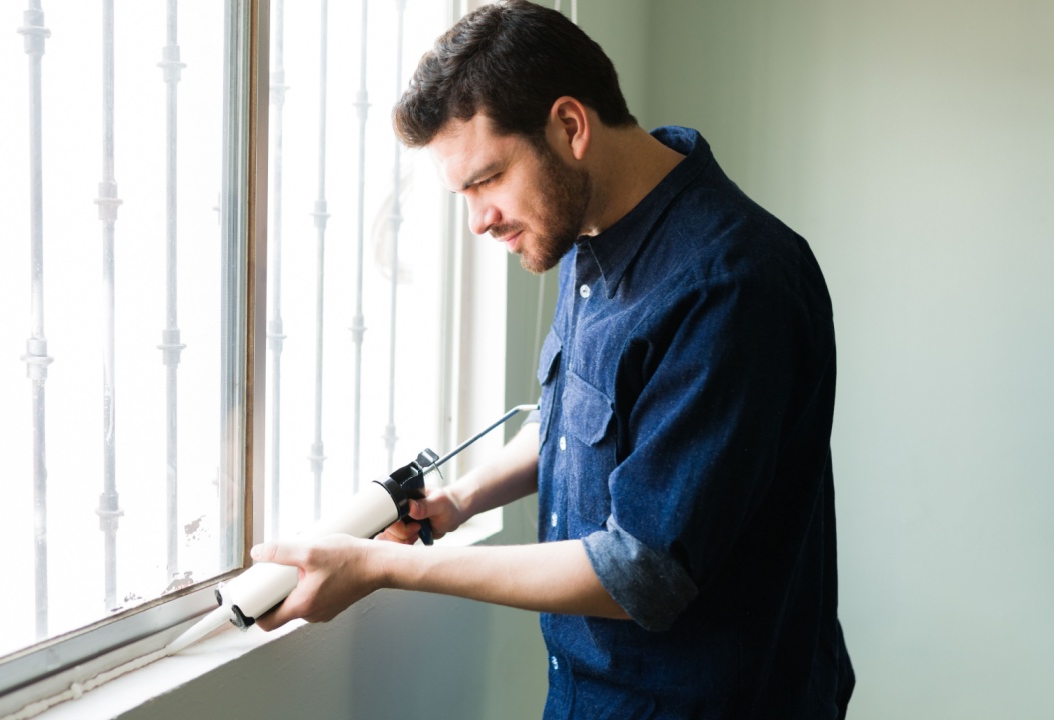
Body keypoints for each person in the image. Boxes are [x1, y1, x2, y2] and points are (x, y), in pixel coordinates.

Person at [249, 1, 855, 717]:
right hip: (585, 697)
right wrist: (458, 499)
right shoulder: (588, 228)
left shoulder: (734, 284)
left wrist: (388, 567)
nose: (478, 219)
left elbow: (643, 572)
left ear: (570, 127)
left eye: (487, 179)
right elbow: (576, 420)